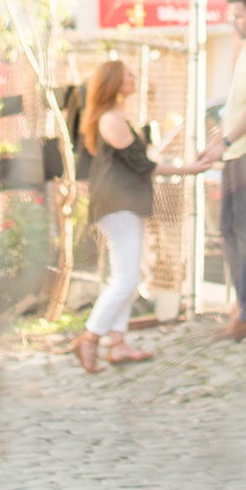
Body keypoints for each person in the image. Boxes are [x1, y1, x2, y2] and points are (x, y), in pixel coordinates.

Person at [168, 0, 246, 341]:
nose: (232, 23)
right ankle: (245, 306)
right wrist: (214, 146)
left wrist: (224, 143)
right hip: (238, 152)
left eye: (237, 16)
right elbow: (236, 106)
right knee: (229, 230)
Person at [72, 59, 157, 373]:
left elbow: (136, 161)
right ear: (115, 83)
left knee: (126, 276)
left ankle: (118, 344)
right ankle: (90, 337)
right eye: (129, 74)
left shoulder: (113, 117)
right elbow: (142, 164)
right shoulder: (110, 118)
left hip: (122, 203)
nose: (134, 77)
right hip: (116, 204)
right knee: (126, 279)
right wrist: (191, 168)